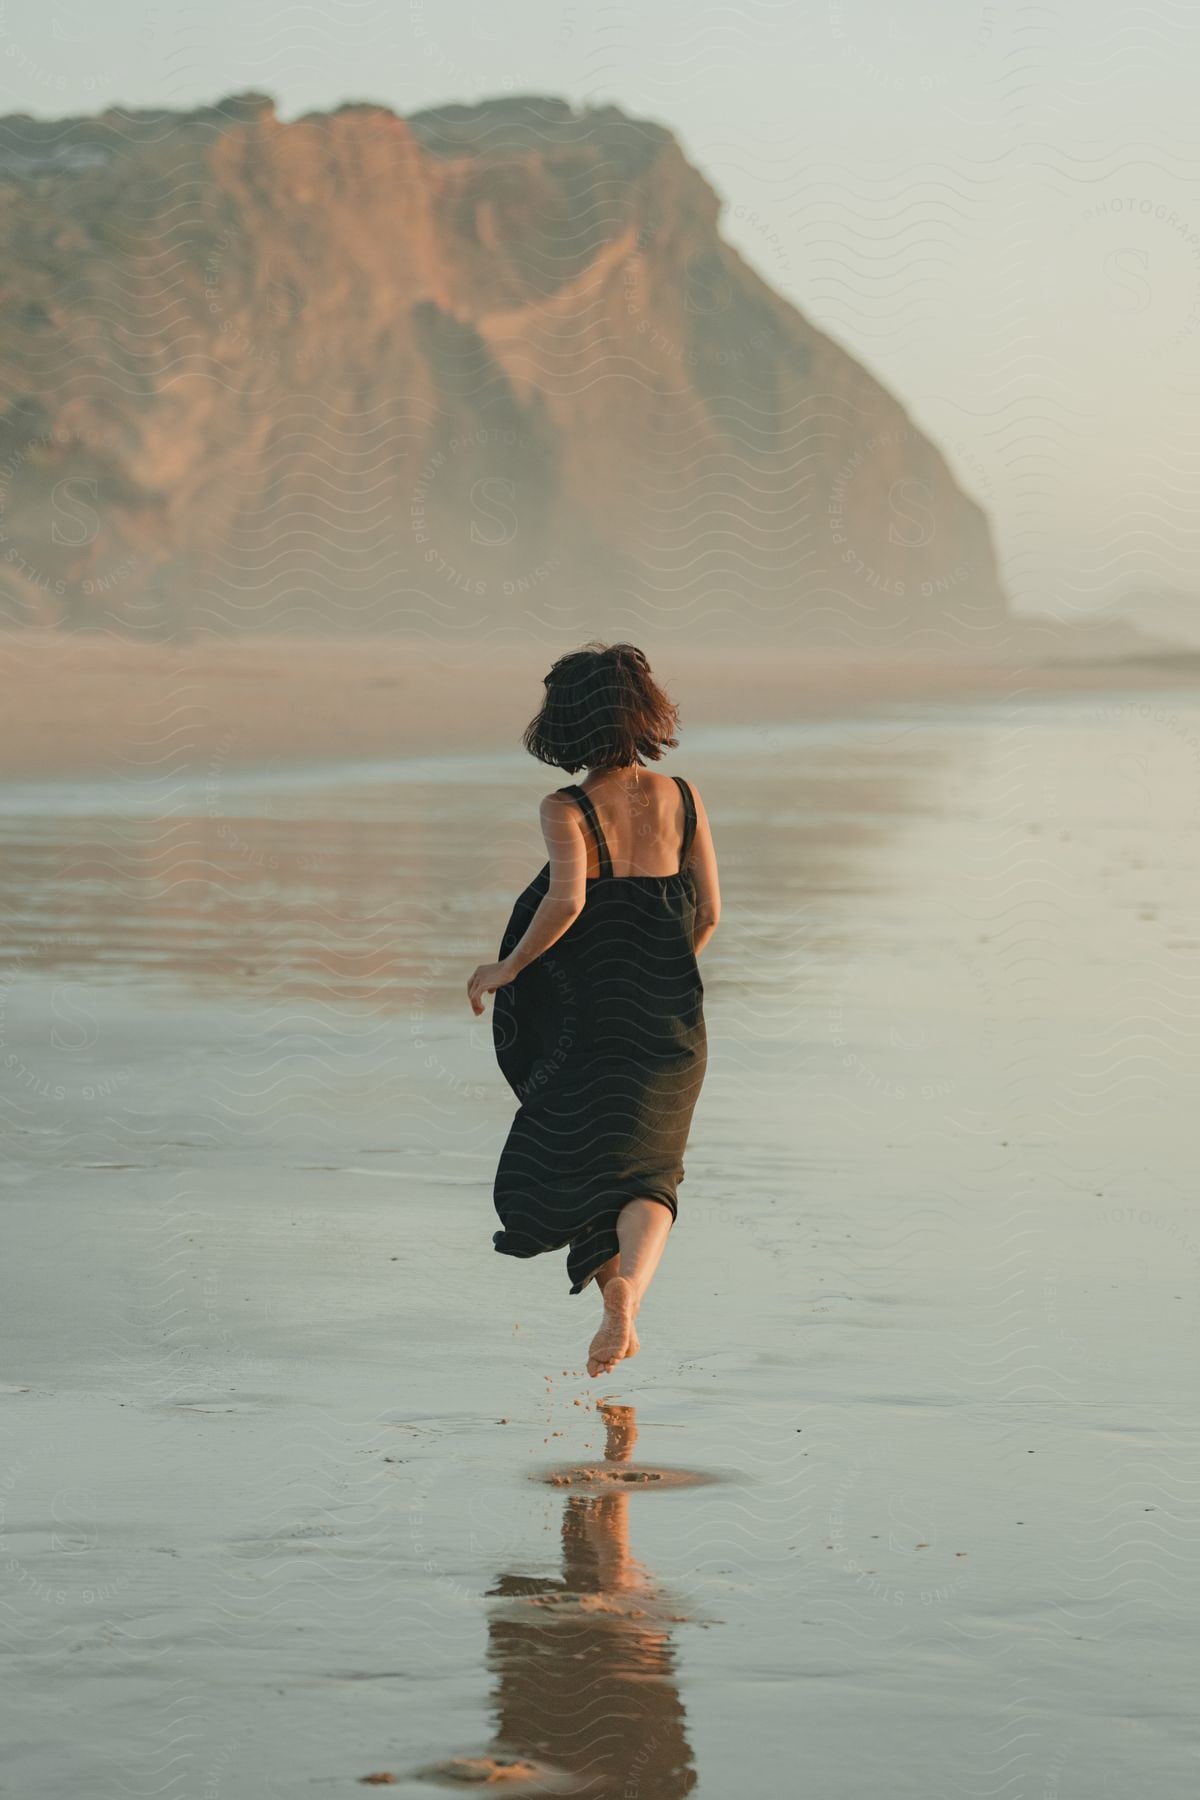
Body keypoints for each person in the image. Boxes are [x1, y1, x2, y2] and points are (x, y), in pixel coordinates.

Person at [467, 642, 720, 1378]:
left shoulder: (568, 807)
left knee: (582, 1166)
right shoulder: (687, 798)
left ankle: (618, 1299)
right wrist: (665, 972)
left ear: (567, 723)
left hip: (589, 1023)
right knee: (651, 1174)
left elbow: (569, 900)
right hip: (672, 1020)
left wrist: (508, 966)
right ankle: (629, 1298)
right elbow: (709, 913)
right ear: (643, 712)